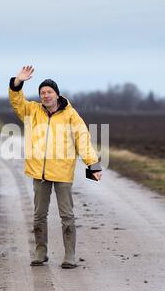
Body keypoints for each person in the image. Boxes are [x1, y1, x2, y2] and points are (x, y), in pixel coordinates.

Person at [8, 65, 102, 269]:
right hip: (38, 173)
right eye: (42, 92)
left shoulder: (70, 115)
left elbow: (83, 139)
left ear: (57, 94)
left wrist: (93, 165)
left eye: (49, 92)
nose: (45, 95)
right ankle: (40, 252)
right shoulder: (32, 110)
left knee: (66, 215)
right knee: (39, 215)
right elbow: (17, 102)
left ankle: (70, 255)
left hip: (62, 172)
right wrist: (17, 83)